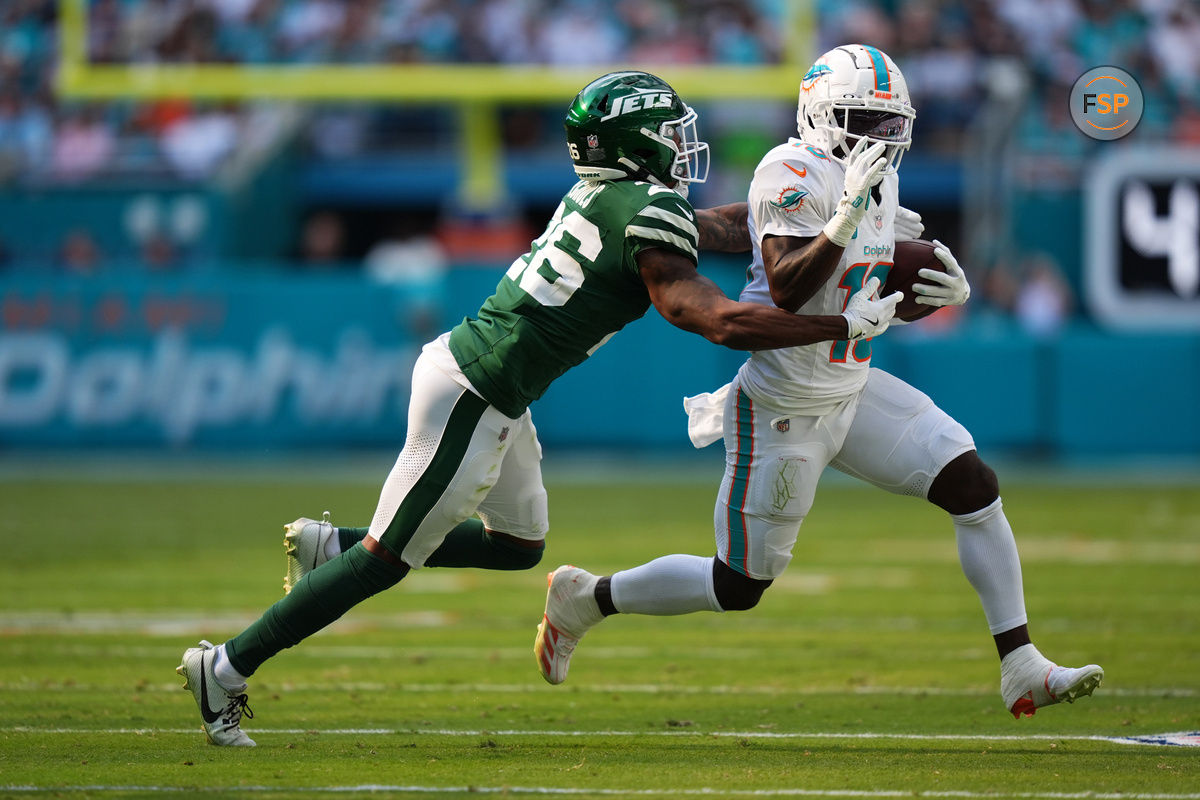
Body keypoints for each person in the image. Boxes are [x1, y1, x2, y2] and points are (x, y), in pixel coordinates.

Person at [177, 70, 901, 747]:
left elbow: (725, 227)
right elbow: (719, 321)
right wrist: (843, 322)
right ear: (638, 141)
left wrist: (835, 218)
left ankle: (329, 547)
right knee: (385, 562)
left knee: (520, 547)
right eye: (671, 131)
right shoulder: (645, 212)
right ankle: (227, 667)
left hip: (493, 387)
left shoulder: (612, 197)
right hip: (475, 392)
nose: (685, 144)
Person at [531, 46, 1104, 720]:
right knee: (739, 583)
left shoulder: (870, 178)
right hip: (780, 405)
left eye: (891, 123)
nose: (881, 136)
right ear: (822, 113)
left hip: (850, 389)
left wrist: (935, 286)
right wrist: (846, 217)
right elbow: (789, 284)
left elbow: (865, 283)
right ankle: (587, 598)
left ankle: (1021, 665)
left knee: (973, 485)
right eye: (865, 118)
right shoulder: (791, 168)